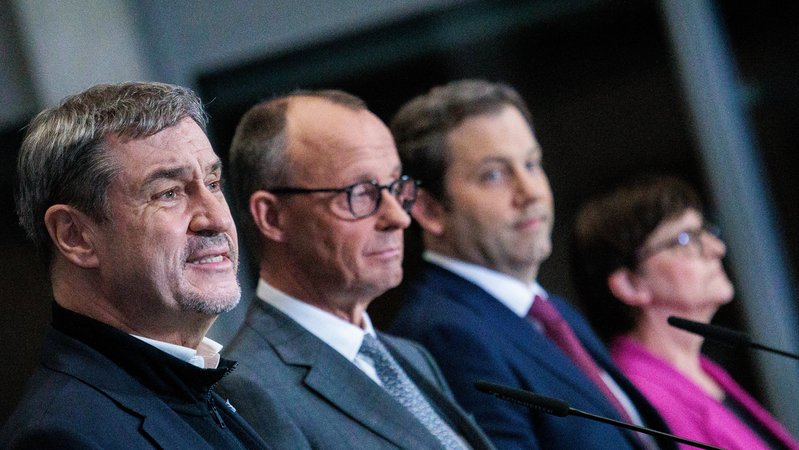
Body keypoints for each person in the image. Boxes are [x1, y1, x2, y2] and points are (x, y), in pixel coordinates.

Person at [0, 81, 299, 449]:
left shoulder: (210, 391)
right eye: (168, 193)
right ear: (74, 235)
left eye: (213, 183)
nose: (215, 219)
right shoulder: (62, 436)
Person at [388, 79, 676, 450]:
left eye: (531, 164)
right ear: (428, 210)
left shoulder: (552, 314)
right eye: (494, 175)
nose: (530, 192)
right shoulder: (445, 336)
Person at [218, 90, 495, 449]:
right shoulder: (250, 389)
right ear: (273, 216)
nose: (398, 216)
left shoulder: (412, 357)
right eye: (360, 192)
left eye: (396, 186)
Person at [570, 174, 799, 450]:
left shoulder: (701, 371)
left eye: (706, 232)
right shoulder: (643, 395)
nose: (717, 249)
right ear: (630, 284)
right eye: (686, 239)